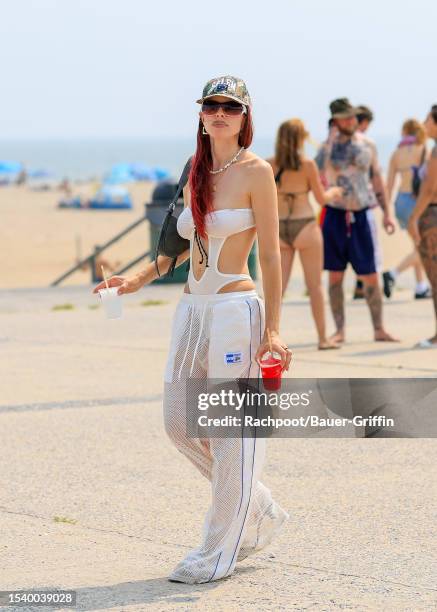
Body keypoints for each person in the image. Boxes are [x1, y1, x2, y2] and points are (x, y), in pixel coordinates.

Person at [93, 75, 292, 583]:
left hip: (234, 311)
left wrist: (273, 329)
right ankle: (257, 501)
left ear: (245, 116)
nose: (219, 112)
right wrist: (135, 278)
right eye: (211, 105)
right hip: (190, 311)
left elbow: (270, 253)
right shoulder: (194, 170)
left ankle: (218, 552)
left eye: (230, 106)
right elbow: (178, 243)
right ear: (201, 113)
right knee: (179, 424)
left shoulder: (256, 172)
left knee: (230, 436)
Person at [315, 98, 398, 343]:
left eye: (353, 116)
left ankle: (379, 328)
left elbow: (377, 179)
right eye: (346, 117)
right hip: (335, 215)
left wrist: (388, 213)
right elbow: (316, 169)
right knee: (335, 276)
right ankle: (339, 330)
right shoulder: (326, 147)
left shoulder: (367, 145)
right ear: (335, 120)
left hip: (362, 214)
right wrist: (330, 140)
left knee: (371, 274)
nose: (352, 121)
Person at [266, 119, 343, 349]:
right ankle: (322, 338)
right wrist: (335, 192)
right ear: (300, 139)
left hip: (279, 227)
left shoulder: (268, 165)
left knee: (277, 288)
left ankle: (270, 336)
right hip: (305, 226)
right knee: (315, 286)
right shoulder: (307, 165)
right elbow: (321, 199)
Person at [382, 119, 431, 299]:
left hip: (400, 201)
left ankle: (420, 286)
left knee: (417, 244)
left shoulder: (396, 154)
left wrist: (386, 211)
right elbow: (429, 182)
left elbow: (388, 186)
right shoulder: (424, 150)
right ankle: (393, 273)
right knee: (423, 247)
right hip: (416, 201)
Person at [408, 104, 437, 348]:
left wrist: (413, 218)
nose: (424, 124)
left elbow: (429, 190)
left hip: (433, 216)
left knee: (435, 279)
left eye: (428, 119)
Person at [352, 105, 384, 300]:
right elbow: (375, 174)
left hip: (348, 204)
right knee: (367, 247)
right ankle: (363, 285)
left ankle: (359, 286)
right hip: (362, 205)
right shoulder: (365, 144)